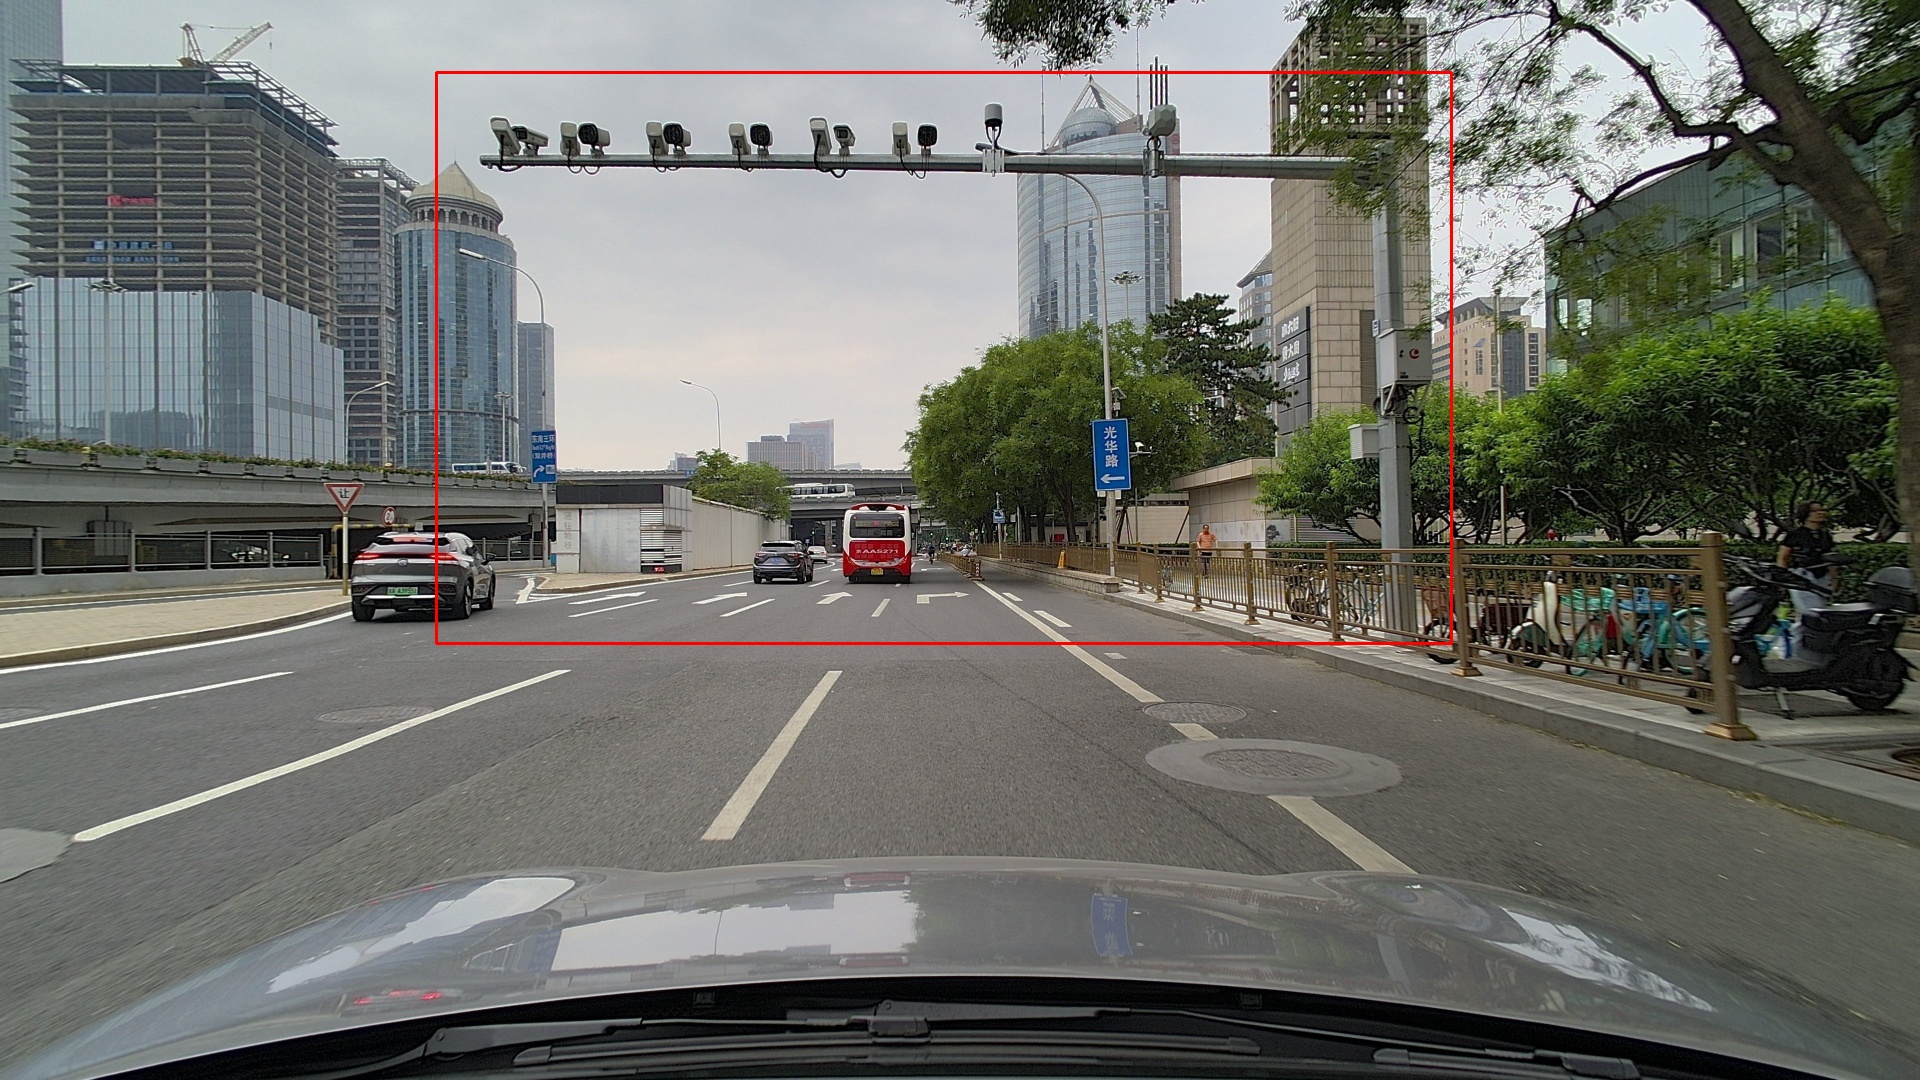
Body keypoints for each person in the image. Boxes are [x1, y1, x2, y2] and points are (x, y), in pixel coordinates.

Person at [1777, 501, 1837, 653]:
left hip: (1822, 577)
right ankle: (1795, 649)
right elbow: (1783, 557)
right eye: (1815, 511)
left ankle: (1802, 648)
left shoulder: (1825, 535)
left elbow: (1831, 558)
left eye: (1822, 509)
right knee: (1809, 614)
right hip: (1802, 576)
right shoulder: (1795, 534)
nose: (1820, 513)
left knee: (1817, 614)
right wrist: (1783, 577)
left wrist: (1834, 578)